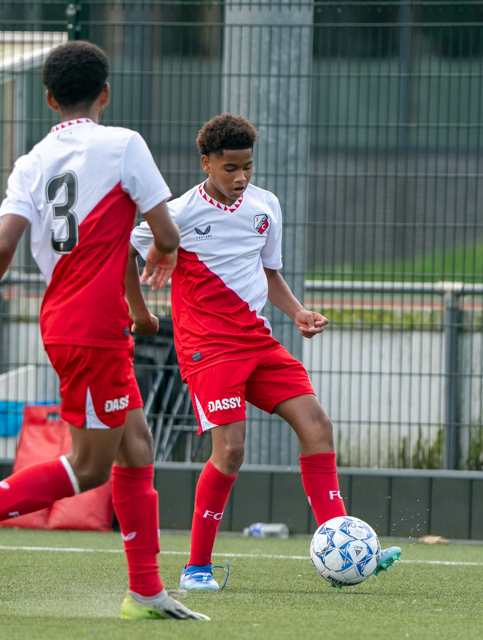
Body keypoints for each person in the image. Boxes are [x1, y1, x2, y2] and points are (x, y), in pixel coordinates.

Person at [0, 42, 208, 621]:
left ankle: (146, 590)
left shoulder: (32, 160)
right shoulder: (124, 144)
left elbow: (7, 242)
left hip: (74, 320)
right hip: (92, 330)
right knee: (92, 465)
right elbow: (163, 233)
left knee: (137, 447)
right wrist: (165, 259)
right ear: (105, 93)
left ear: (49, 99)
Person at [130, 114, 402, 591]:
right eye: (230, 168)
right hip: (208, 348)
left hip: (256, 340)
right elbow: (124, 252)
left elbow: (269, 272)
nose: (240, 179)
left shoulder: (266, 206)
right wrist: (139, 309)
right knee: (231, 451)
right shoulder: (177, 214)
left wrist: (297, 312)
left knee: (317, 425)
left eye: (248, 168)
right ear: (207, 163)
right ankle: (196, 568)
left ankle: (344, 549)